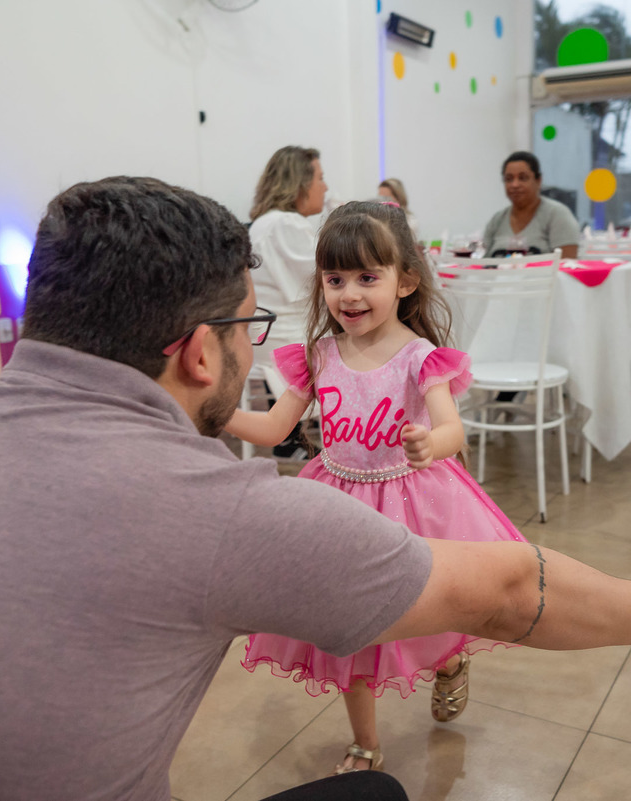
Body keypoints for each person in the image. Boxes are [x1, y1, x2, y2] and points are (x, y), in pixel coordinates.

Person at [0, 176, 631, 801]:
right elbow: (505, 586)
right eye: (251, 320)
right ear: (202, 349)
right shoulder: (224, 510)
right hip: (351, 494)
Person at [225, 201, 527, 775]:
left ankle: (447, 662)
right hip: (339, 505)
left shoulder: (419, 357)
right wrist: (215, 415)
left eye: (368, 278)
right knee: (351, 627)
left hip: (414, 501)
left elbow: (452, 429)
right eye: (335, 280)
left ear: (405, 281)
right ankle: (365, 741)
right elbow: (273, 428)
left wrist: (429, 444)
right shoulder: (318, 355)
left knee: (435, 605)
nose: (350, 295)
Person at [249, 146, 328, 457]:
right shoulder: (286, 224)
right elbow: (318, 281)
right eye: (320, 178)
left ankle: (292, 436)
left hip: (265, 332)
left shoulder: (266, 222)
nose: (325, 187)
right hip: (284, 336)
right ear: (299, 184)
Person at [482, 151, 579, 258]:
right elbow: (482, 262)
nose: (515, 185)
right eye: (509, 179)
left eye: (523, 178)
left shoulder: (557, 215)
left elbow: (567, 264)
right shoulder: (497, 220)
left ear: (538, 180)